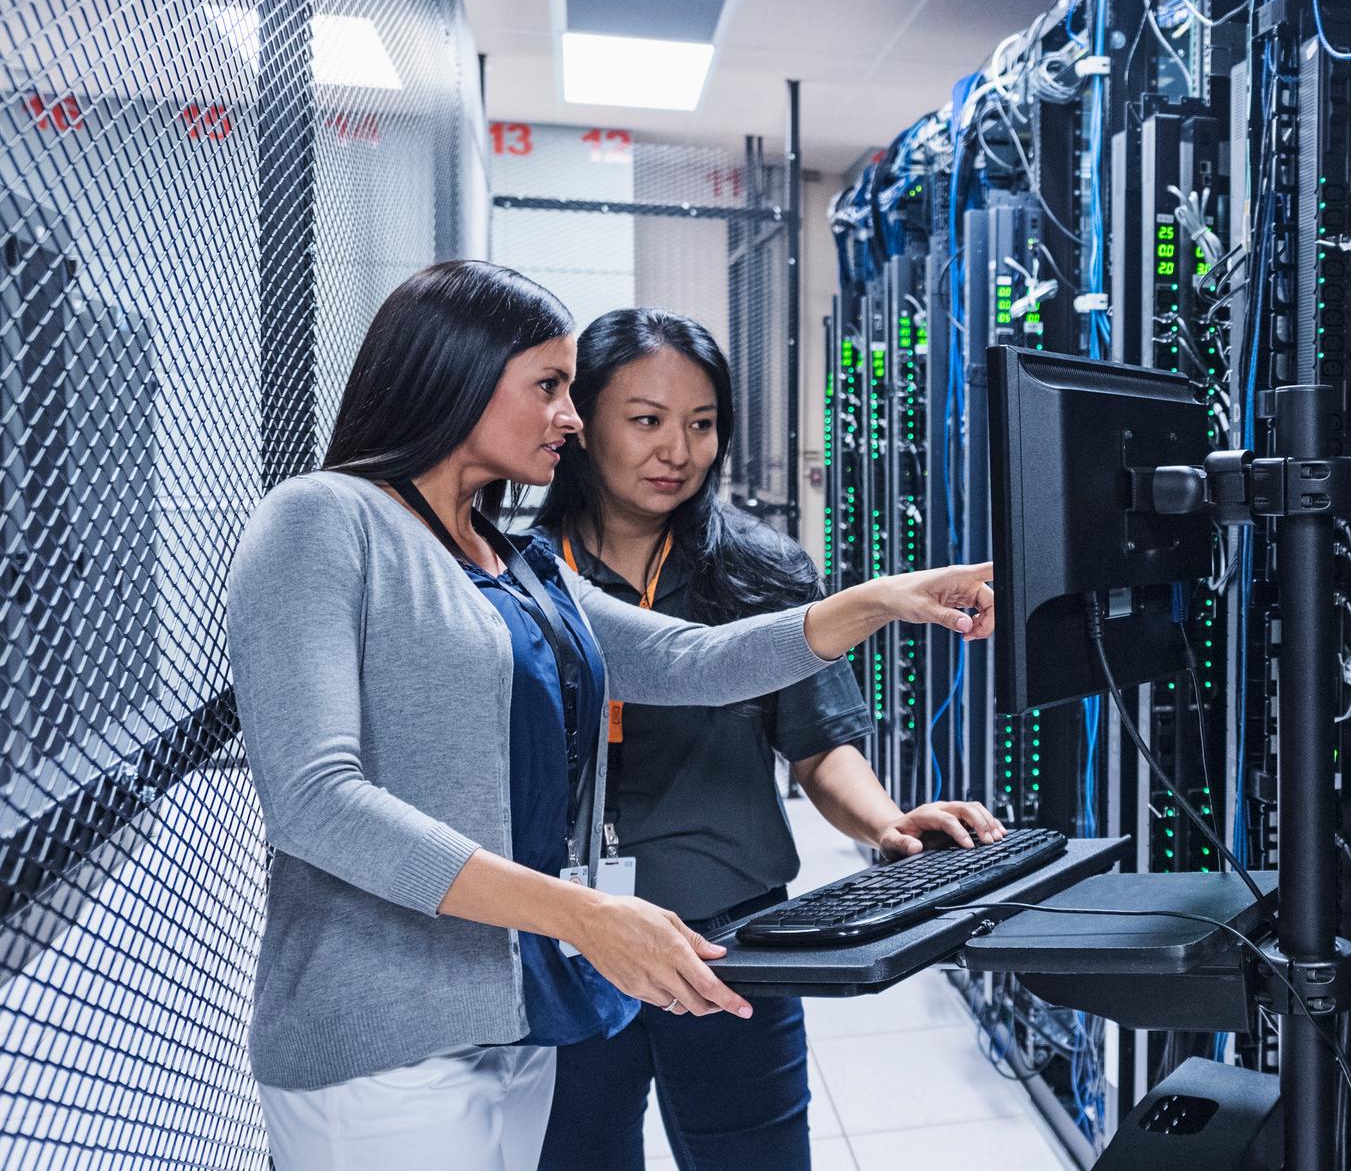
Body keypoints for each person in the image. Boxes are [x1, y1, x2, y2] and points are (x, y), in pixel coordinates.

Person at [224, 261, 994, 1171]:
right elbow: (315, 800)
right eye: (549, 387)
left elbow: (688, 658)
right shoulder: (322, 519)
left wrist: (880, 600)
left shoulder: (506, 561)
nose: (570, 415)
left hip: (514, 1015)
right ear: (456, 376)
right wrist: (581, 914)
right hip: (384, 1036)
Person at [529, 307, 1005, 1170]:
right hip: (570, 939)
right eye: (647, 421)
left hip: (735, 939)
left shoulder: (762, 571)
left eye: (702, 424)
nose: (678, 450)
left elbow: (819, 746)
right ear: (581, 420)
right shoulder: (520, 575)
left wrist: (886, 824)